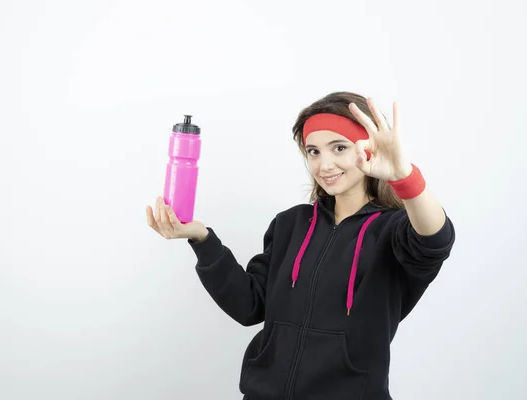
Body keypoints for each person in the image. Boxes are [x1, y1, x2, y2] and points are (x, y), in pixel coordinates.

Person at [146, 91, 455, 400]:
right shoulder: (290, 224)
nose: (325, 164)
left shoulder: (394, 230)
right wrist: (202, 239)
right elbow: (249, 305)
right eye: (313, 151)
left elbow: (435, 241)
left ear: (369, 151)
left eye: (339, 148)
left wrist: (405, 177)